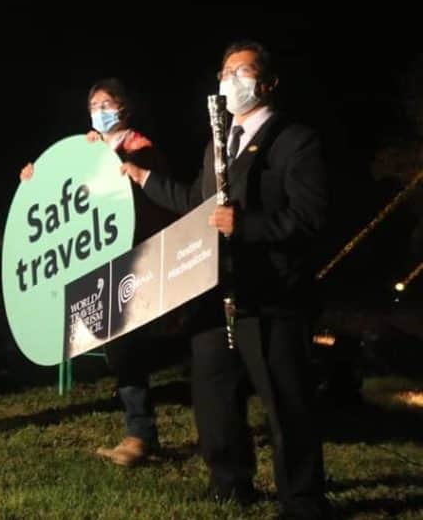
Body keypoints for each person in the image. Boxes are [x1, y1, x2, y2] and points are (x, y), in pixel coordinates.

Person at [120, 41, 330, 517]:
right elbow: (198, 204)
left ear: (269, 83)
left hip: (272, 292)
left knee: (284, 399)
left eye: (244, 71)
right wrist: (141, 178)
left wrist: (249, 225)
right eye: (225, 71)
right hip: (216, 289)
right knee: (213, 391)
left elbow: (311, 217)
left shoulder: (295, 140)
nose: (232, 80)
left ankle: (302, 498)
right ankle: (230, 481)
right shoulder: (218, 142)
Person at [21, 78, 176, 466]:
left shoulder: (141, 148)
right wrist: (35, 182)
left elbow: (145, 190)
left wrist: (117, 163)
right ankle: (138, 430)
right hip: (99, 264)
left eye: (106, 103)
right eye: (93, 103)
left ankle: (140, 433)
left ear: (124, 108)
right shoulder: (85, 151)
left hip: (135, 259)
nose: (99, 110)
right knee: (118, 347)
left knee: (128, 345)